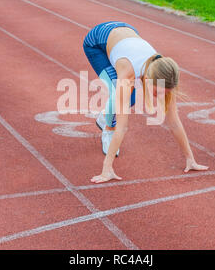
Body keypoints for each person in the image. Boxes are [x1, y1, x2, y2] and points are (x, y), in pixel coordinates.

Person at [83, 21, 208, 183]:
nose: (159, 96)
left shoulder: (165, 71)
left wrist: (190, 159)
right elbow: (123, 127)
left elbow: (174, 122)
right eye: (159, 91)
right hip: (97, 42)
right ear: (147, 80)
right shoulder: (127, 74)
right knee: (122, 95)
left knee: (128, 98)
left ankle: (105, 116)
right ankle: (107, 129)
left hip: (126, 33)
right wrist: (107, 169)